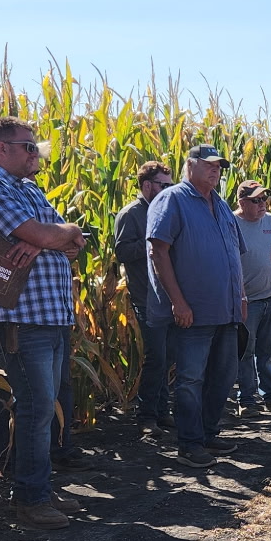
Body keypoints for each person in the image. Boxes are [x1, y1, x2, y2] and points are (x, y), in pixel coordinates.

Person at [0, 115, 86, 532]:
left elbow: (74, 244)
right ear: (1, 150)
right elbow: (50, 237)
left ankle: (38, 485)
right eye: (28, 146)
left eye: (35, 145)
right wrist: (47, 238)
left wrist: (53, 237)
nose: (36, 153)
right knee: (34, 409)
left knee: (43, 408)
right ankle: (30, 499)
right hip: (19, 318)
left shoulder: (29, 190)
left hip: (50, 316)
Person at [146, 144, 246, 467]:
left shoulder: (221, 205)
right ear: (190, 165)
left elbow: (234, 255)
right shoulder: (172, 199)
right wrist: (178, 302)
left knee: (223, 375)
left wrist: (240, 295)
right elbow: (157, 252)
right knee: (190, 379)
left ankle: (208, 433)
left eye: (219, 166)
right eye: (209, 164)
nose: (216, 170)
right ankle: (190, 444)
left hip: (226, 311)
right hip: (193, 312)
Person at [113, 160, 172, 430]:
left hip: (169, 296)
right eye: (163, 185)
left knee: (167, 357)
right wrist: (152, 243)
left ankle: (161, 410)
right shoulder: (132, 214)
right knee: (157, 357)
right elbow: (123, 252)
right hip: (146, 297)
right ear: (147, 185)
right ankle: (147, 415)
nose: (168, 190)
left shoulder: (166, 210)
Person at [233, 180, 271, 412]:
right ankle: (246, 400)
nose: (262, 203)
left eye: (264, 198)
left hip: (270, 299)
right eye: (256, 200)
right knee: (245, 352)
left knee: (267, 351)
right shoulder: (231, 223)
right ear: (242, 202)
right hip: (246, 302)